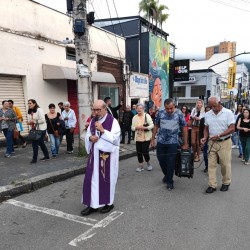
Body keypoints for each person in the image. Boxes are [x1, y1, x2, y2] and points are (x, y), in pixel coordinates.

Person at [81, 99, 121, 216]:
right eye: (94, 110)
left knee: (107, 179)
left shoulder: (113, 122)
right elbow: (88, 134)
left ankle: (108, 203)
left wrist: (103, 131)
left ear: (105, 109)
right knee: (91, 180)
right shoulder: (93, 121)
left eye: (98, 110)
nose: (96, 112)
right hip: (94, 156)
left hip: (107, 157)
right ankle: (92, 205)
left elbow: (115, 138)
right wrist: (90, 138)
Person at [150, 98, 189, 190]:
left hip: (173, 142)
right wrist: (152, 139)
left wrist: (186, 143)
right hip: (161, 142)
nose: (169, 110)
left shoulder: (179, 113)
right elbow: (156, 126)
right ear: (165, 107)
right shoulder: (161, 113)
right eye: (167, 108)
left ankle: (170, 181)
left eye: (171, 108)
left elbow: (184, 128)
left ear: (174, 106)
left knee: (170, 162)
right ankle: (167, 175)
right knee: (161, 160)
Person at [200, 96, 235, 194]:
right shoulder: (207, 114)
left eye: (214, 106)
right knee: (211, 164)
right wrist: (204, 137)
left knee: (225, 164)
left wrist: (219, 135)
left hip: (224, 142)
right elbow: (206, 128)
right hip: (212, 142)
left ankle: (226, 182)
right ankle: (212, 185)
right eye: (211, 106)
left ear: (219, 103)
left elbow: (232, 128)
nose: (213, 108)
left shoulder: (228, 113)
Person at [131, 103, 154, 171]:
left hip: (146, 137)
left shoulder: (147, 116)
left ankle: (148, 163)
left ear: (143, 109)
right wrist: (135, 128)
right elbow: (132, 127)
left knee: (144, 151)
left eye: (140, 108)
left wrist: (145, 128)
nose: (139, 109)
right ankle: (141, 165)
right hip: (138, 137)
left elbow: (152, 125)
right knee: (139, 152)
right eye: (137, 108)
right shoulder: (134, 117)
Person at [27, 99, 50, 164]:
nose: (29, 104)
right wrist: (29, 123)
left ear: (34, 103)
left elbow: (43, 120)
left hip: (41, 129)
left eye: (30, 103)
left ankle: (34, 159)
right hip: (34, 129)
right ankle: (46, 155)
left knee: (34, 144)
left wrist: (34, 121)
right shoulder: (30, 111)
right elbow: (30, 120)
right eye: (28, 103)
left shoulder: (39, 110)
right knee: (41, 143)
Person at [199, 106, 211, 173]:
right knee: (205, 154)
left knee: (212, 154)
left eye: (209, 110)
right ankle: (207, 166)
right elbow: (200, 131)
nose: (208, 112)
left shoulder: (214, 119)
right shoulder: (202, 119)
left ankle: (211, 166)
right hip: (205, 139)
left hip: (213, 139)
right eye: (206, 111)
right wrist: (200, 140)